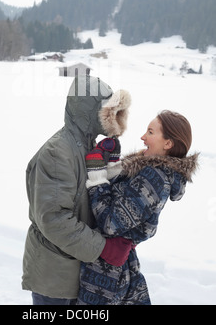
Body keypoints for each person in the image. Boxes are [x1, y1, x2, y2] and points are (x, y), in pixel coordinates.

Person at [22, 75, 132, 305]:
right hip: (55, 278)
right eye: (107, 110)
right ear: (89, 111)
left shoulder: (87, 147)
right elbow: (54, 220)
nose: (113, 116)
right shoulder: (58, 153)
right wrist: (103, 248)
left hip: (76, 270)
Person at [77, 110, 199, 305]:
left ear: (168, 143)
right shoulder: (153, 171)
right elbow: (125, 202)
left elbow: (110, 222)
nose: (143, 137)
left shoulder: (154, 178)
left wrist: (97, 176)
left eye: (150, 132)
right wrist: (114, 165)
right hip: (114, 263)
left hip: (106, 274)